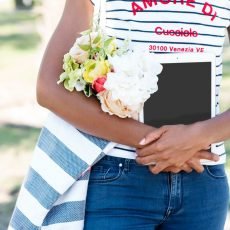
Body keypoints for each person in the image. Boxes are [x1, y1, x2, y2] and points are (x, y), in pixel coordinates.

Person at [35, 0, 230, 229]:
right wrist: (162, 143)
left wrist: (197, 136)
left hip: (202, 184)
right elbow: (50, 89)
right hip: (118, 179)